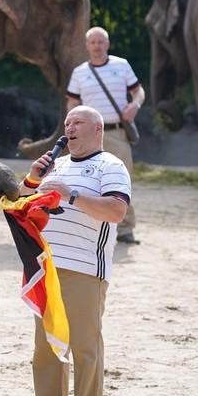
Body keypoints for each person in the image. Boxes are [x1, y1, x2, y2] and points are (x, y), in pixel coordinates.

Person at [14, 105, 131, 396]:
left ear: (97, 130)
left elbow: (117, 211)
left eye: (78, 122)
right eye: (67, 122)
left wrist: (72, 195)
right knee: (46, 347)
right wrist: (32, 180)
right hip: (46, 269)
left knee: (84, 346)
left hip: (85, 269)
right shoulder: (56, 166)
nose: (70, 127)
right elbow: (19, 204)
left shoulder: (110, 166)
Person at [64, 27, 143, 244]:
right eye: (92, 42)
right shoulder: (80, 72)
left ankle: (126, 228)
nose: (97, 46)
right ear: (87, 46)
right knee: (89, 178)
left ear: (107, 44)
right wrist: (72, 123)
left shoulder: (122, 65)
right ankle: (92, 223)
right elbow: (72, 101)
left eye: (100, 42)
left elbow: (138, 91)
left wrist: (135, 105)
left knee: (123, 176)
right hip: (89, 135)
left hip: (116, 131)